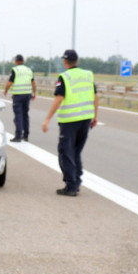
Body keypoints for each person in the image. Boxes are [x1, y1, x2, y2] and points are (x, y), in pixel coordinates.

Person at [42, 49, 98, 197]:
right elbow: (95, 97)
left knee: (66, 153)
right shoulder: (88, 75)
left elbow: (59, 98)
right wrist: (95, 117)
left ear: (65, 61)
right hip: (86, 119)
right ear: (77, 61)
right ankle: (77, 182)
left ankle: (71, 186)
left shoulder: (64, 77)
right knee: (76, 152)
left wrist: (47, 119)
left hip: (70, 121)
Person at [3, 54, 37, 142]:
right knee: (25, 115)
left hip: (18, 95)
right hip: (27, 95)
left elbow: (10, 83)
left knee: (18, 115)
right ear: (23, 61)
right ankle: (25, 135)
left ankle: (18, 136)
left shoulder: (15, 70)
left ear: (16, 61)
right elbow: (33, 83)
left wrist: (6, 90)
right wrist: (34, 93)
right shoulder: (29, 70)